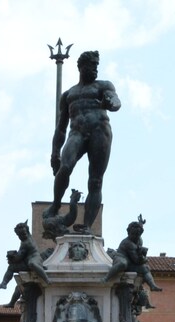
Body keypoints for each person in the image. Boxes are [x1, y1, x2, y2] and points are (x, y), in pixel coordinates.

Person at [49, 50, 122, 234]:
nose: (96, 69)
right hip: (77, 132)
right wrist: (55, 152)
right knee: (64, 167)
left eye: (97, 66)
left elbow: (116, 101)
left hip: (100, 131)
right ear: (81, 67)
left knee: (96, 181)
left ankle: (87, 226)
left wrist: (110, 103)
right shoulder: (68, 95)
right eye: (92, 66)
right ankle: (56, 204)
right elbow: (60, 128)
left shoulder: (103, 86)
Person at [102, 218, 163, 291]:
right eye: (133, 234)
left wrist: (142, 255)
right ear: (128, 233)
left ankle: (152, 285)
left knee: (145, 268)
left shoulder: (139, 240)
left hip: (130, 262)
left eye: (137, 234)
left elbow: (137, 258)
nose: (135, 236)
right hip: (121, 257)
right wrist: (144, 258)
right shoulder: (127, 243)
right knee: (123, 263)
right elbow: (136, 260)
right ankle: (106, 277)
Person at [0, 222, 51, 292]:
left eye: (23, 234)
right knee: (11, 268)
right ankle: (4, 283)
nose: (22, 236)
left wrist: (11, 258)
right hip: (27, 261)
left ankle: (47, 279)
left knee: (32, 263)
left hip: (35, 258)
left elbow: (19, 258)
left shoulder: (26, 242)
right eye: (20, 235)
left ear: (26, 232)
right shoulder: (27, 237)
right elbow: (20, 255)